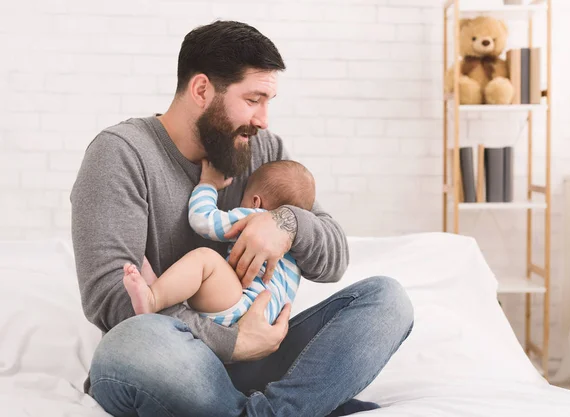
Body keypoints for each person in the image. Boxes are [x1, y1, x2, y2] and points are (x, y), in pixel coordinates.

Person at [71, 20, 414, 417]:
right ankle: (300, 406)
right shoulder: (120, 154)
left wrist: (287, 222)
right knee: (131, 341)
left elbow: (333, 260)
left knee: (387, 300)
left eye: (268, 101)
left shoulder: (261, 148)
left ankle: (267, 412)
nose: (264, 119)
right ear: (202, 90)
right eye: (253, 100)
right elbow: (110, 300)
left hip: (258, 360)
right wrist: (232, 342)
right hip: (172, 357)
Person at [123, 159, 314, 327]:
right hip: (266, 321)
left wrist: (208, 184)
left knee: (205, 259)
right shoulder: (297, 248)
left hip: (241, 307)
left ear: (256, 202)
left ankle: (153, 298)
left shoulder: (258, 218)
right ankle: (161, 290)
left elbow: (203, 219)